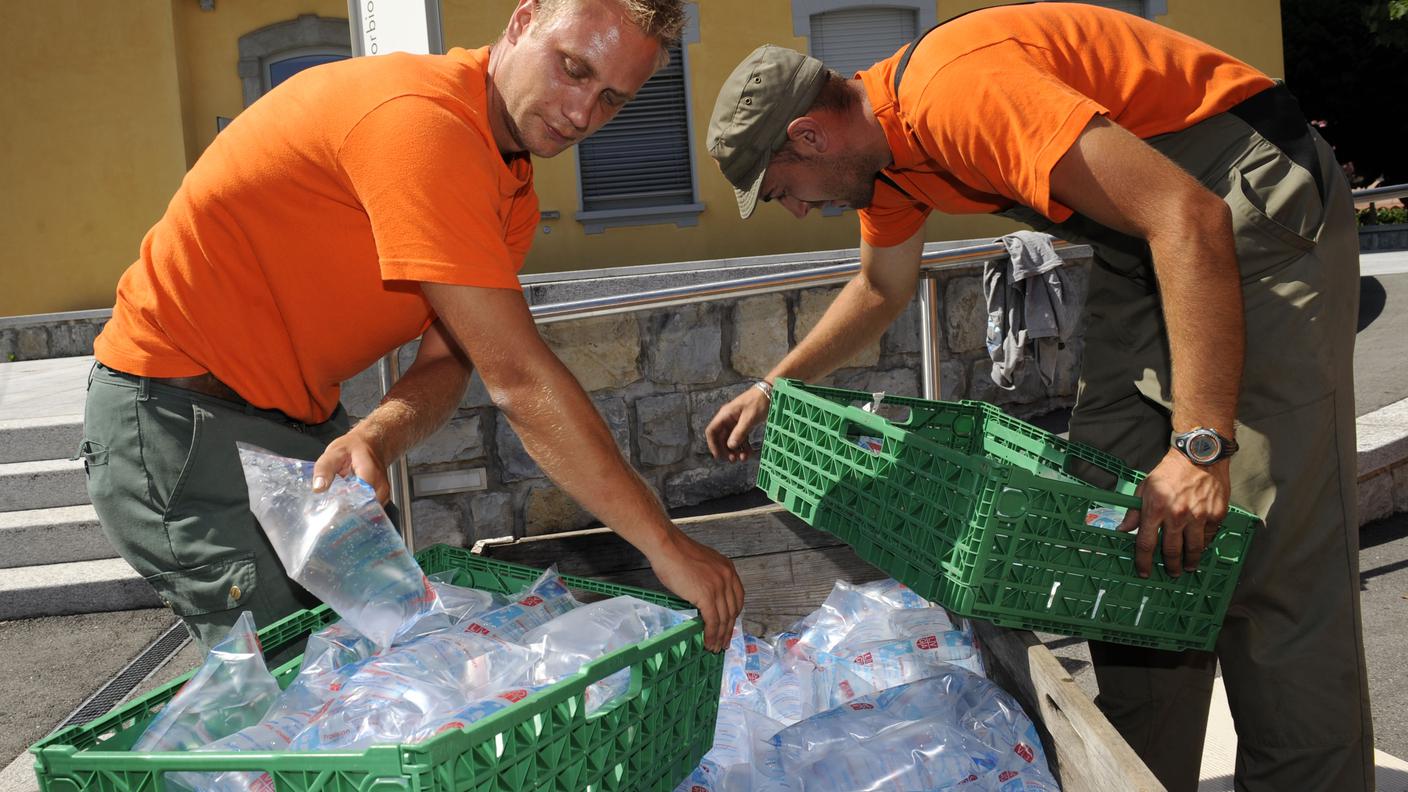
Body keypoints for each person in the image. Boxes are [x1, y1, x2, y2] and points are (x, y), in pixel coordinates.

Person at [702, 5, 1370, 791]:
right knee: (1108, 517)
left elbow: (1191, 218)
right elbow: (882, 288)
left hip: (1248, 202)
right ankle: (1135, 776)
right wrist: (774, 386)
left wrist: (1200, 445)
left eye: (784, 188)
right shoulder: (886, 159)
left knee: (1263, 550)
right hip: (1146, 239)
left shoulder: (960, 95)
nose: (799, 207)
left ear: (811, 136)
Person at [79, 0, 743, 657]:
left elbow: (449, 363)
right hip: (174, 416)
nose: (580, 113)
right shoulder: (421, 124)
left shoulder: (511, 191)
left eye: (612, 100)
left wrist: (376, 432)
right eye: (572, 68)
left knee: (386, 665)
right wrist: (663, 542)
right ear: (522, 21)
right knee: (297, 693)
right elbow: (516, 377)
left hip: (301, 424)